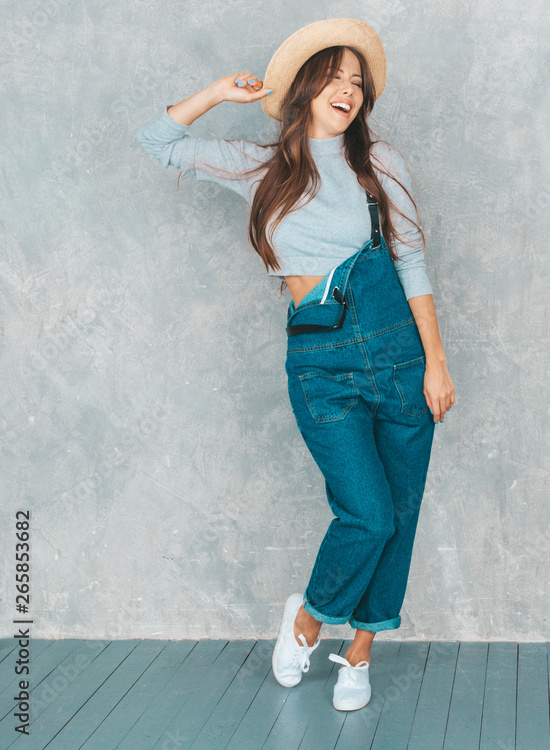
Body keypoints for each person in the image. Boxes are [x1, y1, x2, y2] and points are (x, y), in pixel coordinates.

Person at [135, 18, 455, 712]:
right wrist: (219, 91)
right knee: (365, 514)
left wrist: (436, 362)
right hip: (321, 367)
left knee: (398, 514)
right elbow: (157, 143)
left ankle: (359, 654)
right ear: (307, 86)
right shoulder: (261, 168)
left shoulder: (381, 164)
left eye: (357, 80)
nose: (348, 89)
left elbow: (411, 262)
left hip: (400, 358)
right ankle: (308, 621)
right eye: (336, 76)